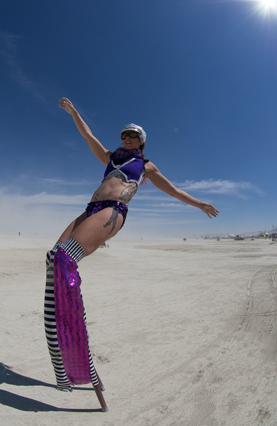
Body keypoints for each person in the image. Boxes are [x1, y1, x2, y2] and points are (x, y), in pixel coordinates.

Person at [44, 98, 219, 410]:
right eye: (124, 135)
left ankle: (76, 341)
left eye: (133, 135)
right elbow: (89, 137)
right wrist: (75, 113)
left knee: (64, 259)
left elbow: (175, 191)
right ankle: (64, 353)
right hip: (90, 209)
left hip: (113, 212)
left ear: (143, 141)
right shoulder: (110, 158)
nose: (127, 138)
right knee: (52, 258)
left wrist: (200, 204)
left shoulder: (147, 167)